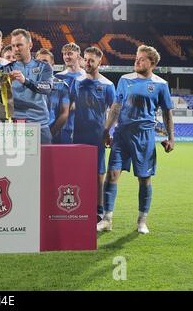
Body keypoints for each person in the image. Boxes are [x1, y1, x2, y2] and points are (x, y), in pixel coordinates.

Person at [98, 44, 175, 234]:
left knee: (144, 179)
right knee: (112, 175)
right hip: (122, 134)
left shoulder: (160, 84)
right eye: (136, 57)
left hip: (144, 136)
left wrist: (171, 137)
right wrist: (107, 130)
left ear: (152, 63)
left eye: (141, 59)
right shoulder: (125, 79)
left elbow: (167, 113)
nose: (136, 61)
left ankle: (142, 221)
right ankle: (107, 219)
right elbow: (116, 107)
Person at [70, 47, 116, 222]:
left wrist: (108, 132)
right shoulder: (78, 82)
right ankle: (79, 205)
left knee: (98, 174)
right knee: (78, 172)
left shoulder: (108, 85)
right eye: (86, 59)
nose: (88, 63)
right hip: (78, 133)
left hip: (97, 135)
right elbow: (71, 104)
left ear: (100, 62)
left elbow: (114, 111)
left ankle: (98, 209)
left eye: (92, 60)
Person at [3, 29, 54, 144]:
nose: (16, 49)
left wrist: (25, 81)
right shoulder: (6, 69)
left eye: (19, 45)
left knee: (44, 162)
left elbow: (47, 88)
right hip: (14, 126)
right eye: (13, 46)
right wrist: (4, 84)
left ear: (30, 45)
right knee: (14, 162)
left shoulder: (44, 67)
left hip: (39, 125)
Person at [35, 48, 70, 144]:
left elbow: (64, 113)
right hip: (31, 134)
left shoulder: (62, 86)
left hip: (53, 134)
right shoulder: (28, 84)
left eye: (45, 62)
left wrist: (50, 133)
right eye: (39, 62)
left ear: (52, 64)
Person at [55, 43, 86, 144]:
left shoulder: (87, 76)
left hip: (81, 127)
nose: (66, 57)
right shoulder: (58, 77)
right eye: (64, 54)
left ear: (78, 56)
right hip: (62, 127)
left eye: (69, 54)